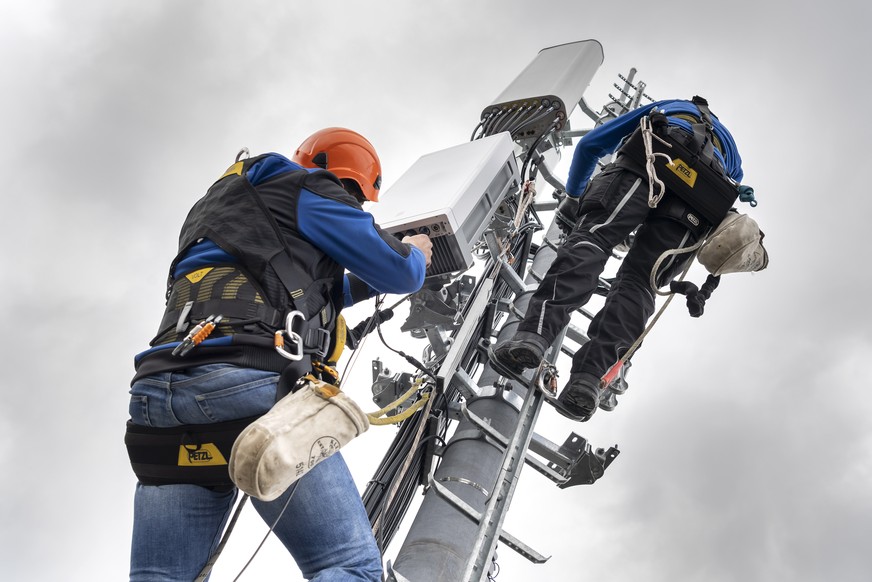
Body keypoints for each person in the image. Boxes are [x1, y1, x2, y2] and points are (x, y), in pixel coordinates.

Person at [125, 127, 433, 581]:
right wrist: (419, 256)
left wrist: (357, 287)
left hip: (161, 392)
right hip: (245, 383)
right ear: (352, 184)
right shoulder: (311, 189)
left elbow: (283, 288)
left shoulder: (221, 204)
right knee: (346, 565)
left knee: (162, 576)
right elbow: (401, 271)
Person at [490, 96, 744, 421]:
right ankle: (589, 380)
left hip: (650, 161)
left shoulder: (669, 109)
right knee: (641, 282)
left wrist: (574, 195)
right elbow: (738, 183)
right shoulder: (731, 153)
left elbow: (591, 146)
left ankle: (533, 335)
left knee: (594, 240)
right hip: (703, 198)